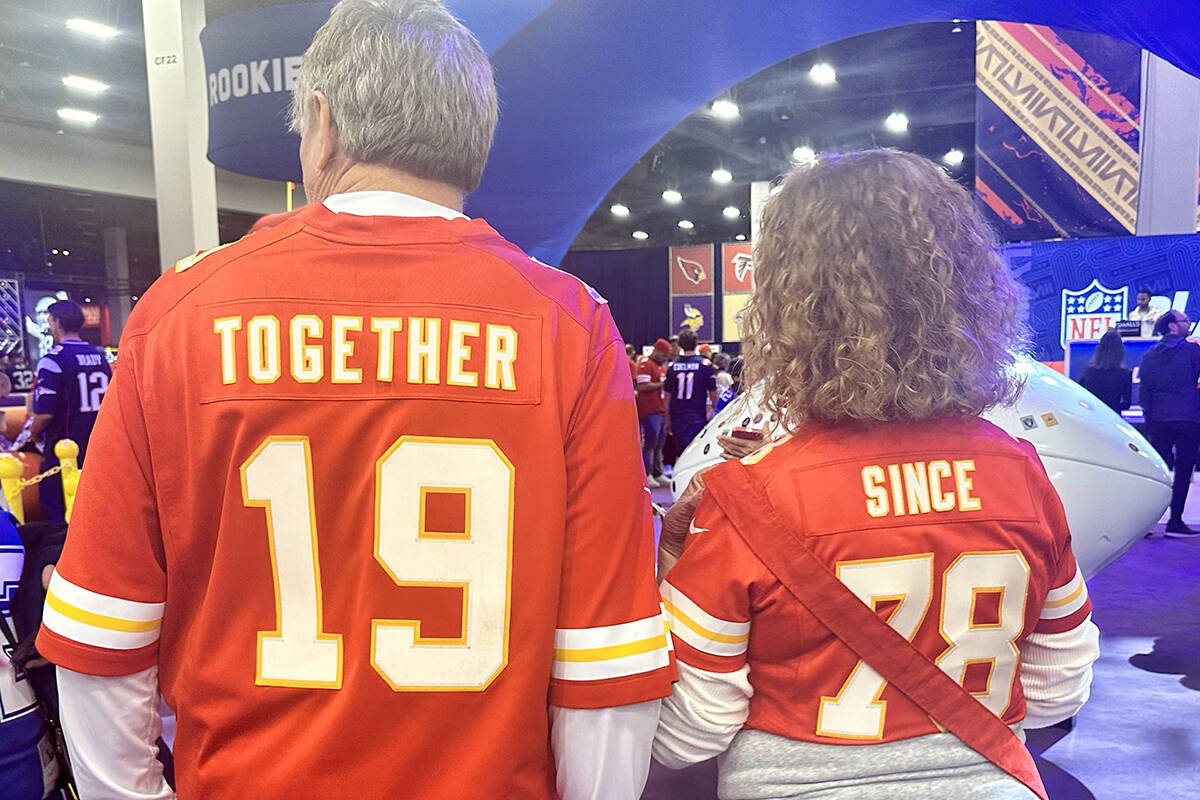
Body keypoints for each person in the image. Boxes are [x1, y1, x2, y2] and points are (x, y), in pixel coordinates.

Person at [36, 3, 672, 799]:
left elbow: (104, 632)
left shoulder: (178, 313)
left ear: (323, 125)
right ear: (473, 141)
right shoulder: (571, 324)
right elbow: (605, 656)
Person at [652, 150, 1100, 799]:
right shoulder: (1019, 473)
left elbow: (689, 732)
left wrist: (670, 555)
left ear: (786, 301)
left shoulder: (745, 494)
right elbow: (1060, 689)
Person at [29, 301, 110, 523]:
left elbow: (44, 412)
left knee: (57, 509)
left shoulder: (53, 360)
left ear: (57, 322)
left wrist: (32, 434)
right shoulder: (99, 357)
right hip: (98, 445)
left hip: (64, 447)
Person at [1138, 309, 1200, 537]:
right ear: (1173, 326)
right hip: (1188, 417)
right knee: (1183, 471)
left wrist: (1150, 421)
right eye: (1185, 320)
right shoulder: (1192, 350)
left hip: (1158, 420)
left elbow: (1145, 392)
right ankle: (1175, 521)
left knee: (1156, 473)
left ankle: (1145, 523)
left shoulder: (1150, 354)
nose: (1189, 322)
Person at [664, 328, 719, 455]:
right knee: (695, 453)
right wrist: (716, 412)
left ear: (680, 345)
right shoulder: (705, 365)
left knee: (681, 454)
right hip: (697, 416)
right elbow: (713, 393)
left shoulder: (672, 367)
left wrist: (667, 419)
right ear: (696, 344)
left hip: (677, 417)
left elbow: (667, 397)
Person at [637, 339, 671, 486]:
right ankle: (647, 473)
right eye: (663, 355)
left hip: (660, 410)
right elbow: (643, 386)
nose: (664, 358)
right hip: (650, 411)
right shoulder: (646, 365)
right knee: (650, 444)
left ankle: (658, 472)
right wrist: (662, 384)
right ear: (656, 351)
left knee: (659, 444)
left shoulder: (662, 367)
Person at [1078, 329, 1132, 413]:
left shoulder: (1089, 371)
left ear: (1099, 349)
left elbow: (1080, 395)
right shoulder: (1125, 374)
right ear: (1121, 351)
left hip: (1091, 416)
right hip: (1112, 418)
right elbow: (1127, 403)